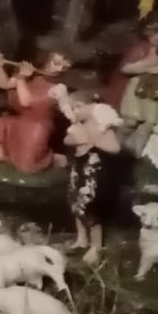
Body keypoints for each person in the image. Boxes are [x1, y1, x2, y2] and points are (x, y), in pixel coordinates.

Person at [52, 84, 124, 264]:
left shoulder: (100, 126)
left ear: (91, 106)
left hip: (93, 169)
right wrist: (75, 139)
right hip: (79, 166)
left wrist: (94, 141)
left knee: (90, 206)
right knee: (75, 202)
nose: (75, 111)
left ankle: (96, 246)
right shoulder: (79, 124)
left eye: (78, 107)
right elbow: (68, 139)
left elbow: (115, 148)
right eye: (73, 108)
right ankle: (82, 238)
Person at [0, 49, 70, 174]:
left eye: (64, 67)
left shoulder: (59, 87)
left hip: (39, 126)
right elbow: (4, 84)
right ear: (47, 60)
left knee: (26, 168)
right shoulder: (32, 74)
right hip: (22, 119)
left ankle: (51, 158)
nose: (59, 69)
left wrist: (21, 78)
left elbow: (26, 102)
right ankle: (0, 154)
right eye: (56, 63)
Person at [105, 13, 158, 153]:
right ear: (148, 33)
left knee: (148, 124)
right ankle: (114, 147)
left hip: (155, 94)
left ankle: (135, 152)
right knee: (130, 121)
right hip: (136, 92)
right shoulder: (139, 49)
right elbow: (126, 68)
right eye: (157, 33)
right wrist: (145, 64)